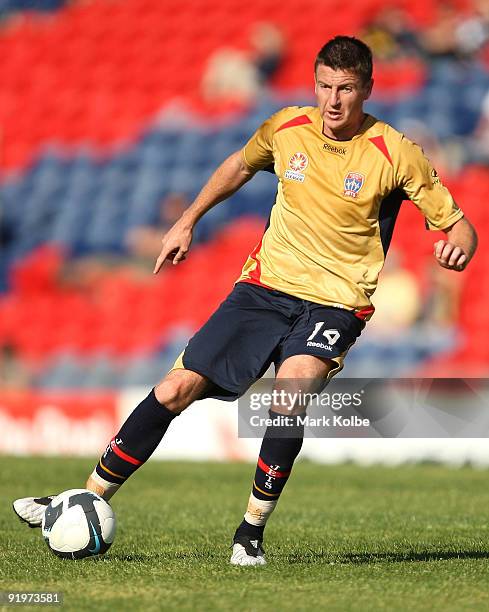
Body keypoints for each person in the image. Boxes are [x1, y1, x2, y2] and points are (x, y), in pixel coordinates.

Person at [13, 36, 478, 566]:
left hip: (335, 302)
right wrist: (187, 221)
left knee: (290, 392)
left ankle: (249, 533)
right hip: (263, 289)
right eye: (324, 86)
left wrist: (456, 249)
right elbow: (238, 165)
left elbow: (460, 227)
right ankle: (85, 498)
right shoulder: (286, 128)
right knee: (174, 388)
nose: (333, 101)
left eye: (346, 89)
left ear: (367, 89)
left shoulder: (395, 152)